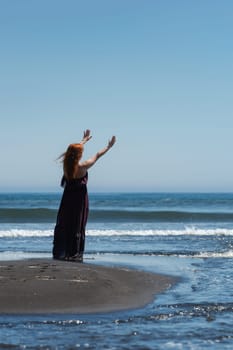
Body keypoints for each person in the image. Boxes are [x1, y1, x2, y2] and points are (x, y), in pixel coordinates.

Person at [52, 129, 116, 262]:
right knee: (77, 224)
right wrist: (109, 147)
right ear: (79, 154)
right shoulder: (83, 166)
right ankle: (74, 253)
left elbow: (70, 152)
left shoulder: (66, 165)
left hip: (67, 199)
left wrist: (83, 141)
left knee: (65, 223)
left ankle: (62, 252)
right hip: (79, 200)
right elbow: (97, 155)